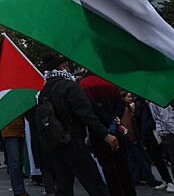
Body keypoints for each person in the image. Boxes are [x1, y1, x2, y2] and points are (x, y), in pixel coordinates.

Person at [39, 54, 116, 196]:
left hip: (56, 142)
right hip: (73, 141)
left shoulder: (44, 90)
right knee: (95, 184)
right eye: (66, 65)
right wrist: (105, 134)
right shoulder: (69, 85)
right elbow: (85, 113)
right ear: (61, 66)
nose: (68, 68)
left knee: (63, 186)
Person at [79, 71, 138, 196]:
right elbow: (121, 102)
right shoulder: (109, 82)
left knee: (108, 167)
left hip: (100, 131)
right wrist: (115, 118)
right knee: (122, 164)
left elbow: (91, 107)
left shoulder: (84, 84)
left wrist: (107, 120)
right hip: (116, 129)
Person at [119, 91, 164, 189]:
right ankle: (149, 179)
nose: (131, 99)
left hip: (129, 137)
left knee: (133, 159)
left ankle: (135, 178)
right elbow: (128, 125)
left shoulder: (126, 109)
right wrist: (132, 137)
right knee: (143, 158)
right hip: (132, 137)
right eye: (128, 97)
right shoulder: (125, 110)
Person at [2, 116, 29, 196]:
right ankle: (18, 191)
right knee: (15, 163)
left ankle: (21, 190)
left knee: (19, 162)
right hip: (10, 131)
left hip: (19, 130)